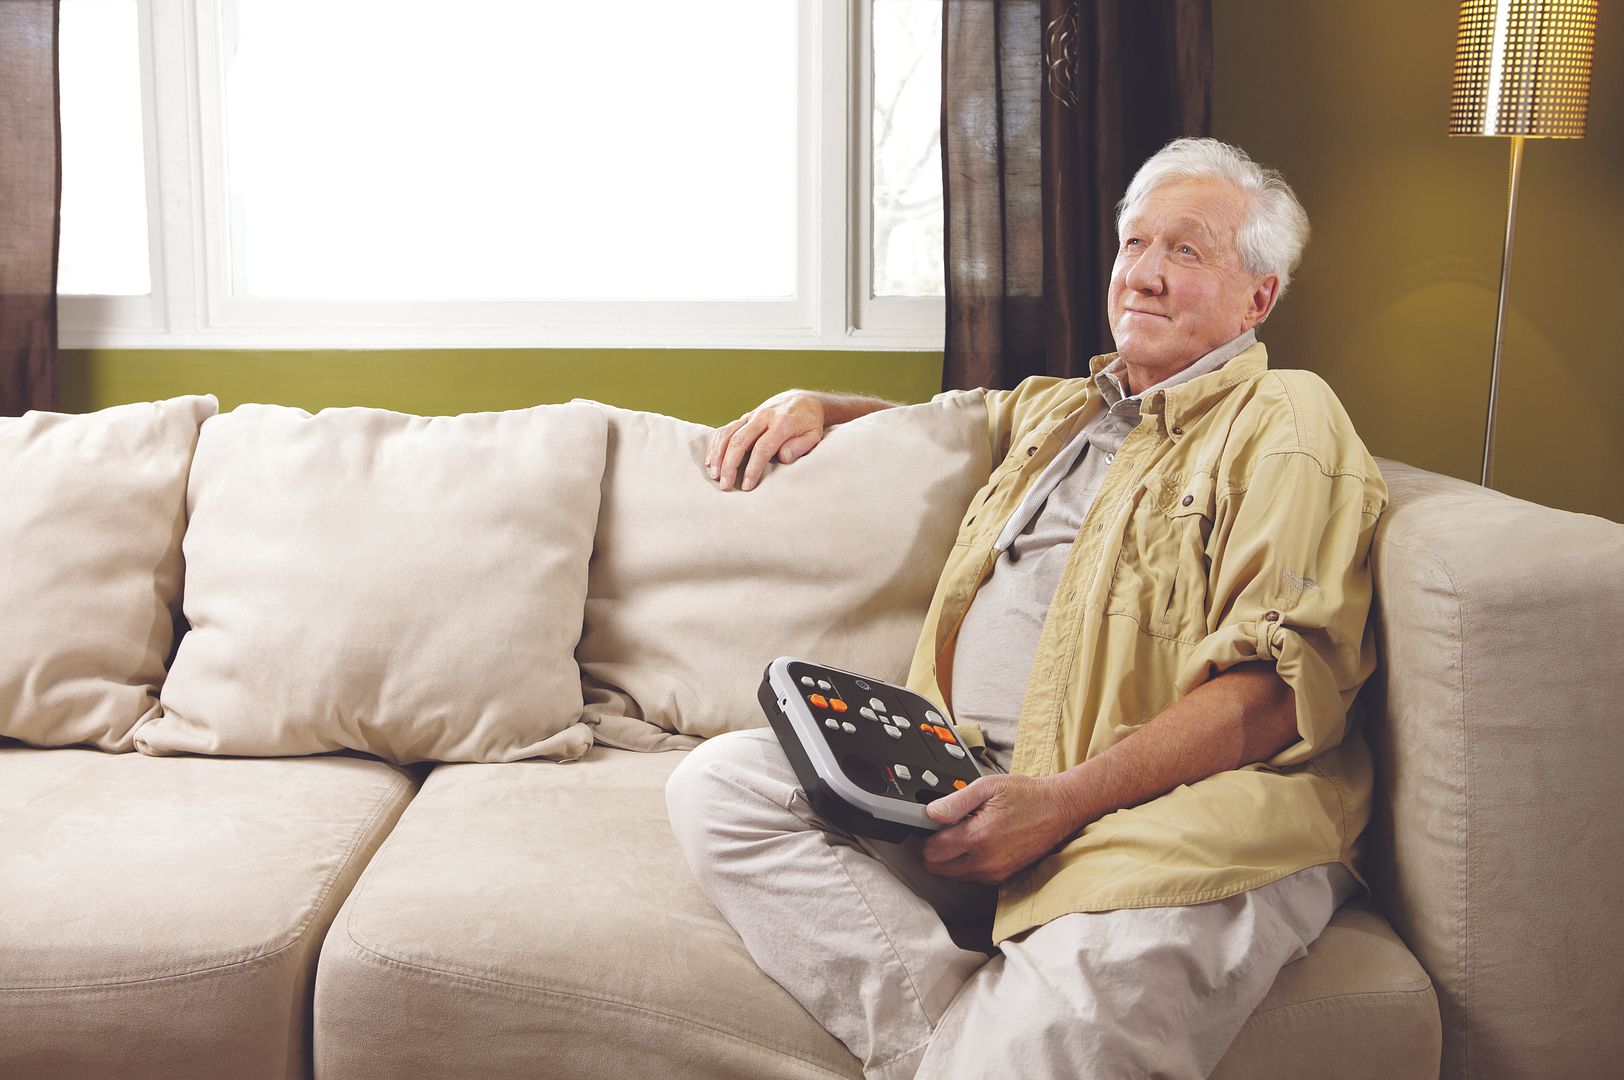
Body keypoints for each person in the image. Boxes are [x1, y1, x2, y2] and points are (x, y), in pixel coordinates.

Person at [665, 138, 1388, 1080]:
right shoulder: (1062, 411)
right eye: (1135, 245)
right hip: (966, 773)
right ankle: (953, 1042)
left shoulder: (1286, 421)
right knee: (721, 784)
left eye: (1187, 252)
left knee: (1042, 1042)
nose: (1145, 276)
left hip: (1160, 817)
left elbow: (1274, 692)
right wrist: (820, 403)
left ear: (1259, 298)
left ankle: (988, 1051)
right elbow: (938, 418)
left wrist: (1057, 803)